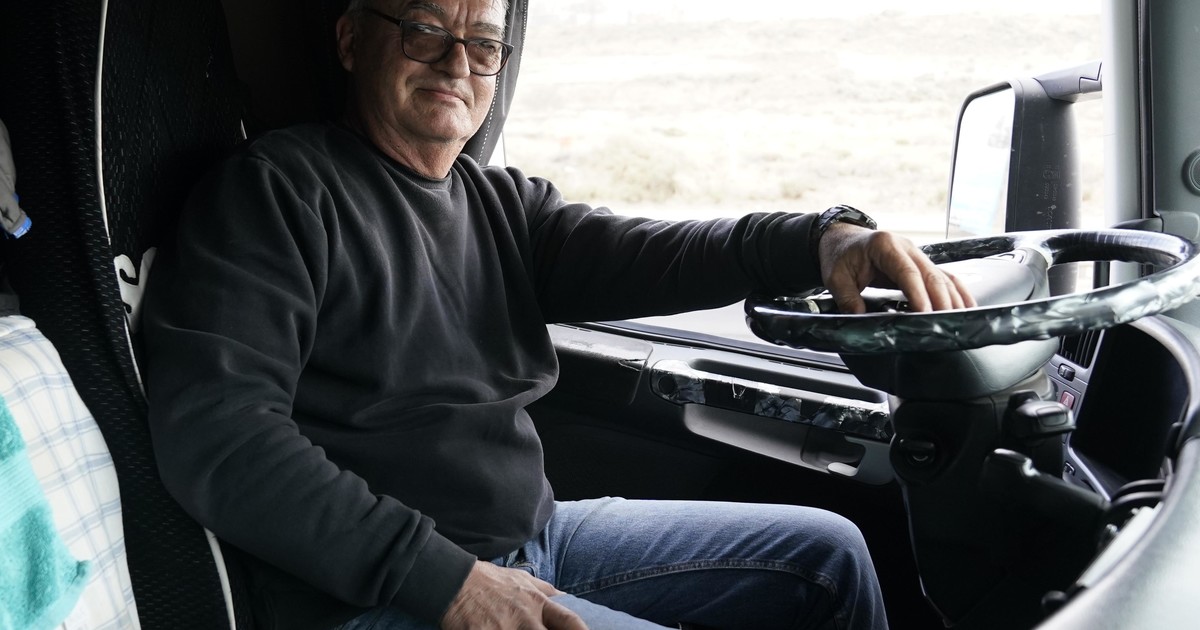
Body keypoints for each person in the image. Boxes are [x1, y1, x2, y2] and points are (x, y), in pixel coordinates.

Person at [141, 0, 974, 628]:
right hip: (376, 591)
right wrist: (448, 583)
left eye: (484, 44)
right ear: (353, 39)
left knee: (830, 555)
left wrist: (825, 240)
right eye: (425, 30)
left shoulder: (503, 206)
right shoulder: (278, 190)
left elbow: (668, 251)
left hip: (535, 540)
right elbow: (219, 433)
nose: (457, 63)